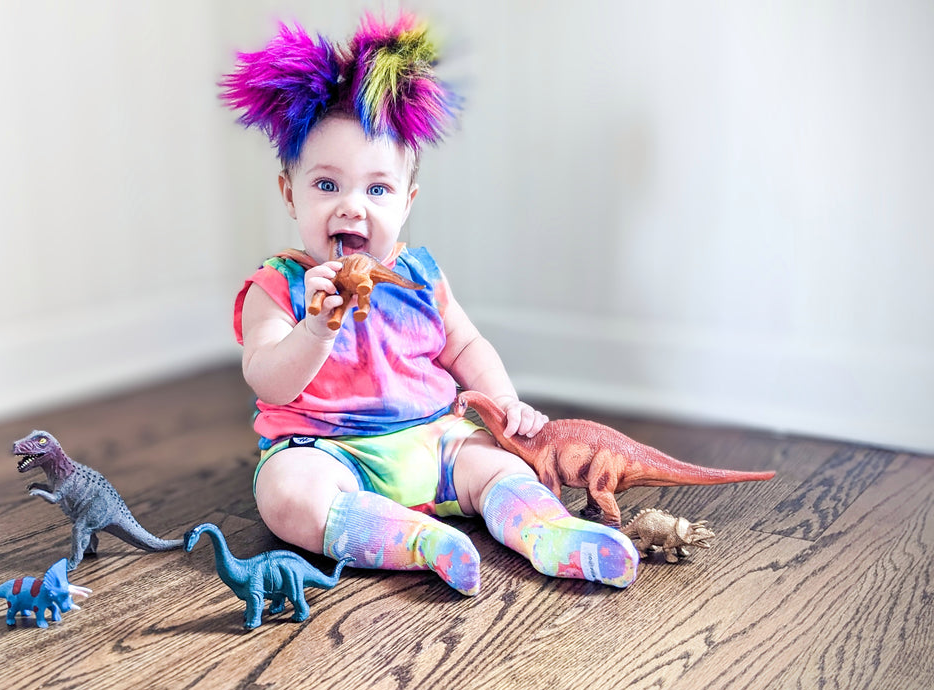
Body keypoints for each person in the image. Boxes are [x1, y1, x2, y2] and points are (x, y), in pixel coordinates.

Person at [224, 12, 638, 596]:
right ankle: (419, 541)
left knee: (502, 464)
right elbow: (267, 379)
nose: (351, 207)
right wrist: (316, 329)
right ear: (290, 194)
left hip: (433, 439)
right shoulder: (279, 286)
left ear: (407, 201)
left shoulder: (420, 275)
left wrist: (503, 402)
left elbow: (464, 345)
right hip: (327, 451)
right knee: (286, 495)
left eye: (377, 189)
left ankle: (550, 533)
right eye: (326, 185)